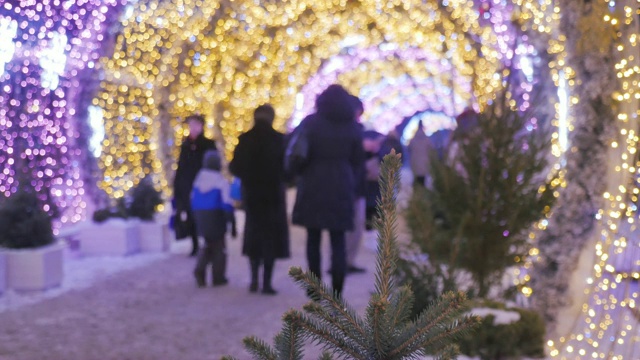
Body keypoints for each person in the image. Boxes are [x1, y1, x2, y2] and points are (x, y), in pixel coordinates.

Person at [292, 84, 365, 298]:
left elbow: (297, 152)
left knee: (313, 239)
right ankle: (337, 292)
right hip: (341, 184)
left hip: (313, 183)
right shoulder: (352, 126)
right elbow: (357, 159)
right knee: (338, 241)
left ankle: (315, 290)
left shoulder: (311, 123)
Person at [229, 104, 290, 295]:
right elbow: (287, 170)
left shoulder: (245, 140)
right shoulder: (279, 140)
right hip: (273, 196)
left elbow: (234, 168)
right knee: (270, 238)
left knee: (254, 235)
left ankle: (254, 279)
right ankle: (267, 282)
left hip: (253, 195)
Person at [174, 114, 217, 256]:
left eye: (195, 124)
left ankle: (208, 244)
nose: (193, 128)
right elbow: (181, 167)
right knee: (191, 216)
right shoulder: (185, 145)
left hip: (204, 186)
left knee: (204, 216)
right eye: (191, 125)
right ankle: (195, 245)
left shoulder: (208, 145)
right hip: (188, 186)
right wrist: (178, 186)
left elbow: (213, 166)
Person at [191, 150, 235, 287]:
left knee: (208, 242)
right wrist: (231, 221)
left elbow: (192, 198)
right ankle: (217, 276)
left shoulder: (199, 179)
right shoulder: (220, 181)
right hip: (216, 216)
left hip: (200, 215)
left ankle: (200, 269)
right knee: (219, 247)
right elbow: (227, 203)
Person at [345, 95, 367, 274]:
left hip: (351, 185)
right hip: (351, 185)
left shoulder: (354, 129)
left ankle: (346, 261)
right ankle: (343, 262)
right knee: (350, 227)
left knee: (354, 227)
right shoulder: (352, 131)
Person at [408, 120, 432, 187]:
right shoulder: (427, 140)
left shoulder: (413, 140)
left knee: (416, 181)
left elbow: (409, 149)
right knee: (422, 182)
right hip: (424, 163)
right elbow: (431, 150)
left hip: (415, 162)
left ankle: (416, 195)